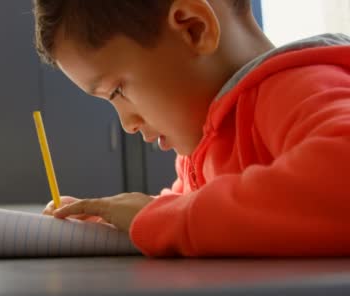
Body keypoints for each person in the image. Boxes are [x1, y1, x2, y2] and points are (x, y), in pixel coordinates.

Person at [35, 0, 350, 257]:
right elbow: (200, 216)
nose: (128, 124)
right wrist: (108, 222)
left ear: (193, 29)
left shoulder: (299, 88)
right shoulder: (207, 144)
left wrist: (165, 218)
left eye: (117, 91)